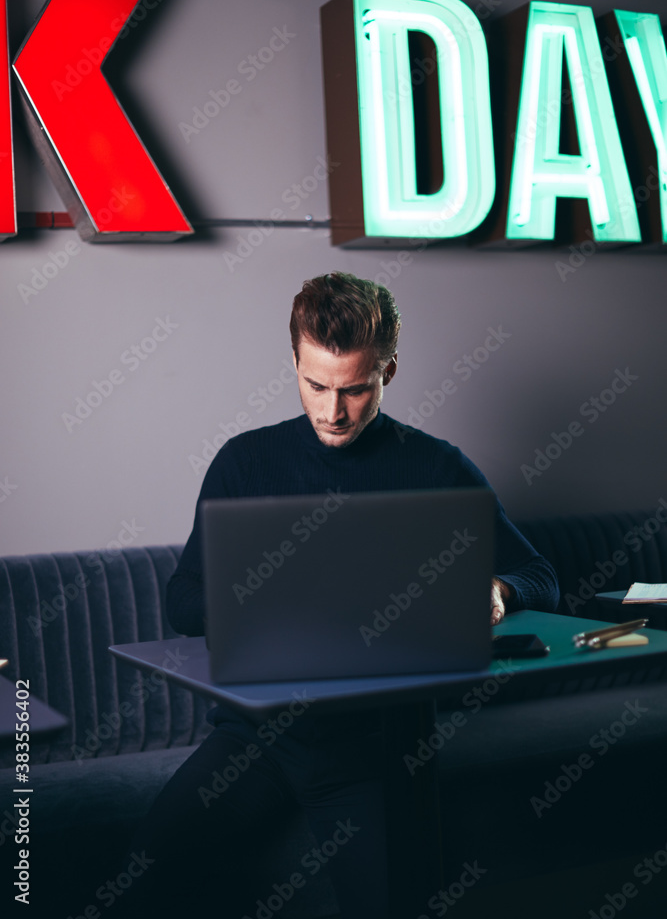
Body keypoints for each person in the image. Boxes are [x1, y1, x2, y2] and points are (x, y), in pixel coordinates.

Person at [116, 272, 559, 918]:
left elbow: (540, 575)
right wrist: (274, 604)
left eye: (355, 389)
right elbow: (183, 602)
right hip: (255, 738)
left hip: (374, 745)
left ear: (389, 372)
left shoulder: (434, 465)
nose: (332, 411)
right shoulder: (245, 461)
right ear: (294, 362)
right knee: (142, 879)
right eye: (315, 385)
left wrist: (495, 588)